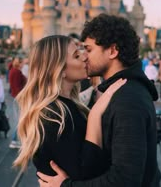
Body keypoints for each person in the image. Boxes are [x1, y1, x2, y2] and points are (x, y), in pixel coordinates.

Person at [38, 13, 161, 187]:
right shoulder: (119, 92)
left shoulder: (127, 100)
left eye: (88, 49)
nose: (85, 56)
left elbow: (125, 180)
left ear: (112, 51)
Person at [13, 35, 126, 178]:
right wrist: (95, 115)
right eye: (76, 55)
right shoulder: (52, 116)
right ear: (59, 70)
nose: (85, 57)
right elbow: (85, 172)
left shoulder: (67, 105)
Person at [9, 56, 26, 149]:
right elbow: (17, 87)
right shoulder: (17, 72)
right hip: (19, 98)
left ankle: (15, 140)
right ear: (19, 63)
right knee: (20, 120)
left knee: (20, 119)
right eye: (22, 62)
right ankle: (15, 140)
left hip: (16, 97)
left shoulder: (13, 71)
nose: (24, 64)